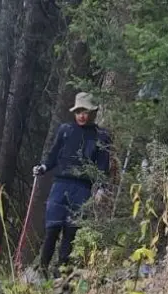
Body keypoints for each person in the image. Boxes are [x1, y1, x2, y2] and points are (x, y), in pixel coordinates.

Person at [33, 92, 111, 277]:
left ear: (92, 112)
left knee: (71, 232)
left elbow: (102, 165)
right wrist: (43, 167)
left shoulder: (101, 136)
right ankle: (42, 271)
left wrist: (100, 187)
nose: (82, 115)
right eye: (78, 111)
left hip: (82, 189)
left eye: (85, 111)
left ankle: (62, 275)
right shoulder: (65, 130)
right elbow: (54, 154)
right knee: (52, 228)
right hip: (60, 185)